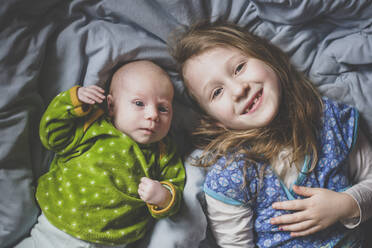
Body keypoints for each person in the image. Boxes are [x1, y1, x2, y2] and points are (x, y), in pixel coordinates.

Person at [171, 21, 372, 247]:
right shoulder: (231, 176)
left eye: (239, 68)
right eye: (217, 92)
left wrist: (346, 204)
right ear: (216, 122)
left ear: (267, 58)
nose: (239, 90)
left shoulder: (329, 121)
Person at [15, 60, 185, 248]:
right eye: (139, 103)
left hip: (113, 241)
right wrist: (73, 102)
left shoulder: (163, 152)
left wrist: (162, 196)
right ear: (111, 106)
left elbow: (175, 190)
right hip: (55, 231)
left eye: (163, 108)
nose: (153, 114)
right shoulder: (92, 125)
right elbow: (51, 135)